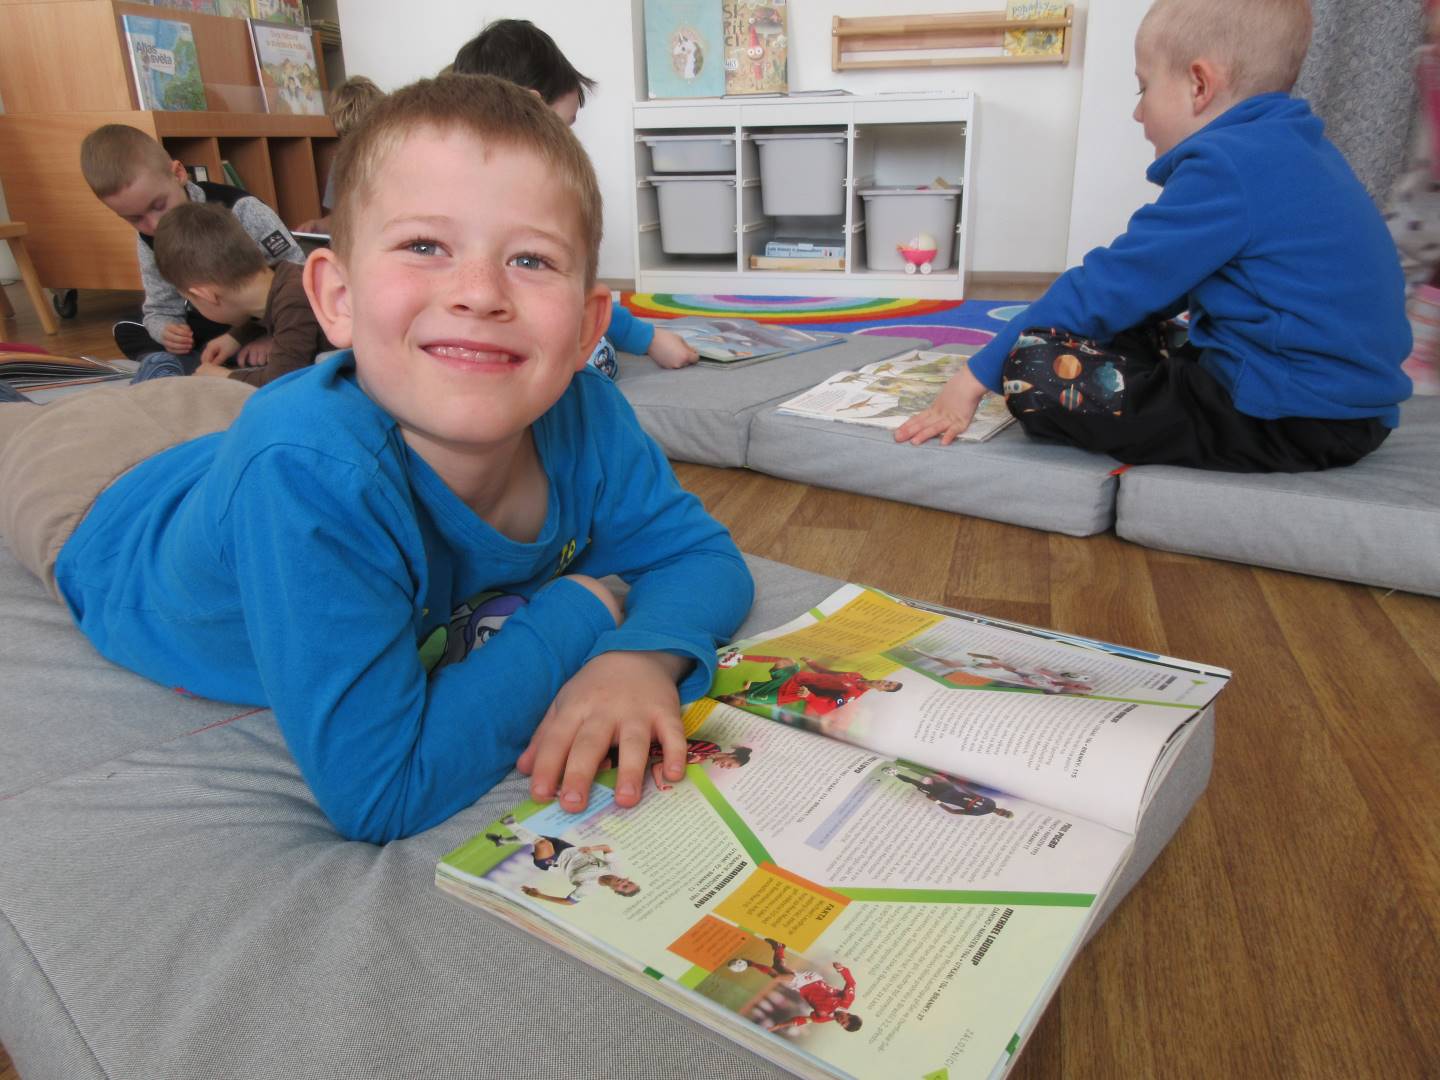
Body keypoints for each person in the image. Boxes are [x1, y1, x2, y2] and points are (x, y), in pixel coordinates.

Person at [0, 74, 753, 843]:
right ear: (337, 299)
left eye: (531, 259)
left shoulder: (590, 417)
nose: (479, 293)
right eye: (425, 246)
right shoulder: (307, 476)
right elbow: (382, 789)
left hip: (233, 442)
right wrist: (580, 611)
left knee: (233, 409)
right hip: (97, 502)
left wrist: (641, 657)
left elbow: (702, 557)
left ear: (590, 328)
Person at [896, 0, 1412, 472]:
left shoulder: (1226, 166)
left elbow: (1105, 286)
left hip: (1290, 416)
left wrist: (973, 378)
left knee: (1031, 368)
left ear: (1199, 85)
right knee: (1125, 323)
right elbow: (1152, 292)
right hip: (1340, 406)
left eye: (1143, 88)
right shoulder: (1295, 147)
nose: (1138, 112)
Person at [452, 18, 699, 374]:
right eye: (566, 126)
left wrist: (648, 337)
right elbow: (575, 294)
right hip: (511, 344)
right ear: (532, 110)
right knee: (598, 353)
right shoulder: (532, 201)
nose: (570, 141)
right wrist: (648, 338)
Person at [79, 123, 304, 381]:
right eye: (135, 219)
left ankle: (197, 369)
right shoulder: (148, 239)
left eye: (158, 205)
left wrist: (269, 335)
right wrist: (167, 331)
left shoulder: (241, 208)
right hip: (209, 314)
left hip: (260, 313)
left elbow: (295, 276)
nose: (155, 225)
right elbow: (160, 307)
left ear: (178, 174)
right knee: (128, 328)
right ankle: (192, 365)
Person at [152, 201, 334, 386]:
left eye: (192, 301)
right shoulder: (283, 277)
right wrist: (236, 337)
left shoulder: (294, 301)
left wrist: (223, 376)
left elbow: (281, 382)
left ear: (206, 295)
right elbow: (269, 309)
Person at [292, 75, 385, 236]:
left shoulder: (400, 157)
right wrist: (317, 225)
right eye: (349, 136)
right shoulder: (341, 162)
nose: (356, 145)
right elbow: (339, 219)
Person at [486, 815, 639, 903]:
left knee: (541, 843)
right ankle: (502, 841)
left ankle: (510, 823)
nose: (624, 883)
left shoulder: (589, 887)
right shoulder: (615, 869)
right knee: (538, 838)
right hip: (567, 848)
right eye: (629, 882)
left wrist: (539, 895)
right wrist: (592, 849)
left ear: (615, 890)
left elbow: (569, 902)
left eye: (624, 887)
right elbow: (607, 848)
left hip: (554, 863)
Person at [732, 939, 862, 1033]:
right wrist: (841, 969)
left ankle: (779, 948)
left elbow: (802, 1020)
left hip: (801, 988)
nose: (840, 1022)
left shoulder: (823, 1018)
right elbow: (851, 983)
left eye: (841, 1025)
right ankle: (749, 963)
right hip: (811, 980)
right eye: (844, 1021)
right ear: (849, 1015)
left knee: (779, 968)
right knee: (777, 977)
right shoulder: (847, 1001)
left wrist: (778, 1026)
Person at [881, 766, 1015, 818]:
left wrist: (937, 802)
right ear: (1004, 809)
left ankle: (895, 774)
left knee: (916, 783)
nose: (1001, 812)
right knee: (935, 776)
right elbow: (972, 794)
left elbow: (953, 811)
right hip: (950, 788)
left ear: (1000, 816)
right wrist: (957, 784)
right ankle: (907, 766)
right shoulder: (991, 802)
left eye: (1003, 814)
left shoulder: (980, 812)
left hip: (941, 796)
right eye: (1004, 811)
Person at [646, 738, 752, 790]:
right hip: (648, 744)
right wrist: (685, 756)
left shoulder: (700, 760)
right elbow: (680, 745)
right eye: (729, 765)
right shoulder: (713, 748)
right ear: (732, 756)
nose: (723, 767)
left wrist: (660, 785)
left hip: (646, 754)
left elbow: (657, 766)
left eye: (727, 768)